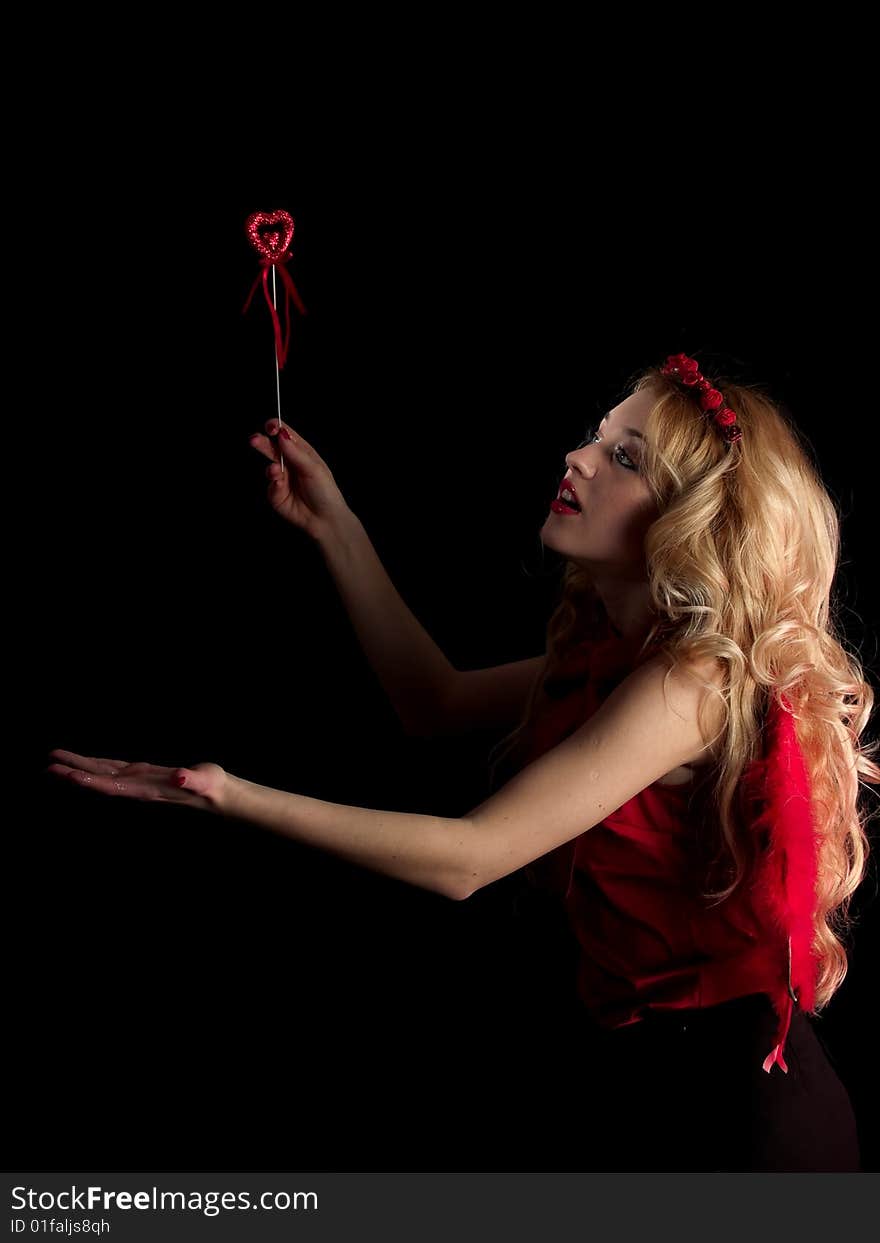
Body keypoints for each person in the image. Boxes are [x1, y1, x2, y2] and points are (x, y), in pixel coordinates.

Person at [46, 352, 876, 1172]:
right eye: (599, 435)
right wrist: (334, 522)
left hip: (745, 1111)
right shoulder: (613, 652)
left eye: (624, 458)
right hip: (658, 1076)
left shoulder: (695, 682)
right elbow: (432, 700)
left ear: (687, 522)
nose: (577, 458)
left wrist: (230, 796)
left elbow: (469, 858)